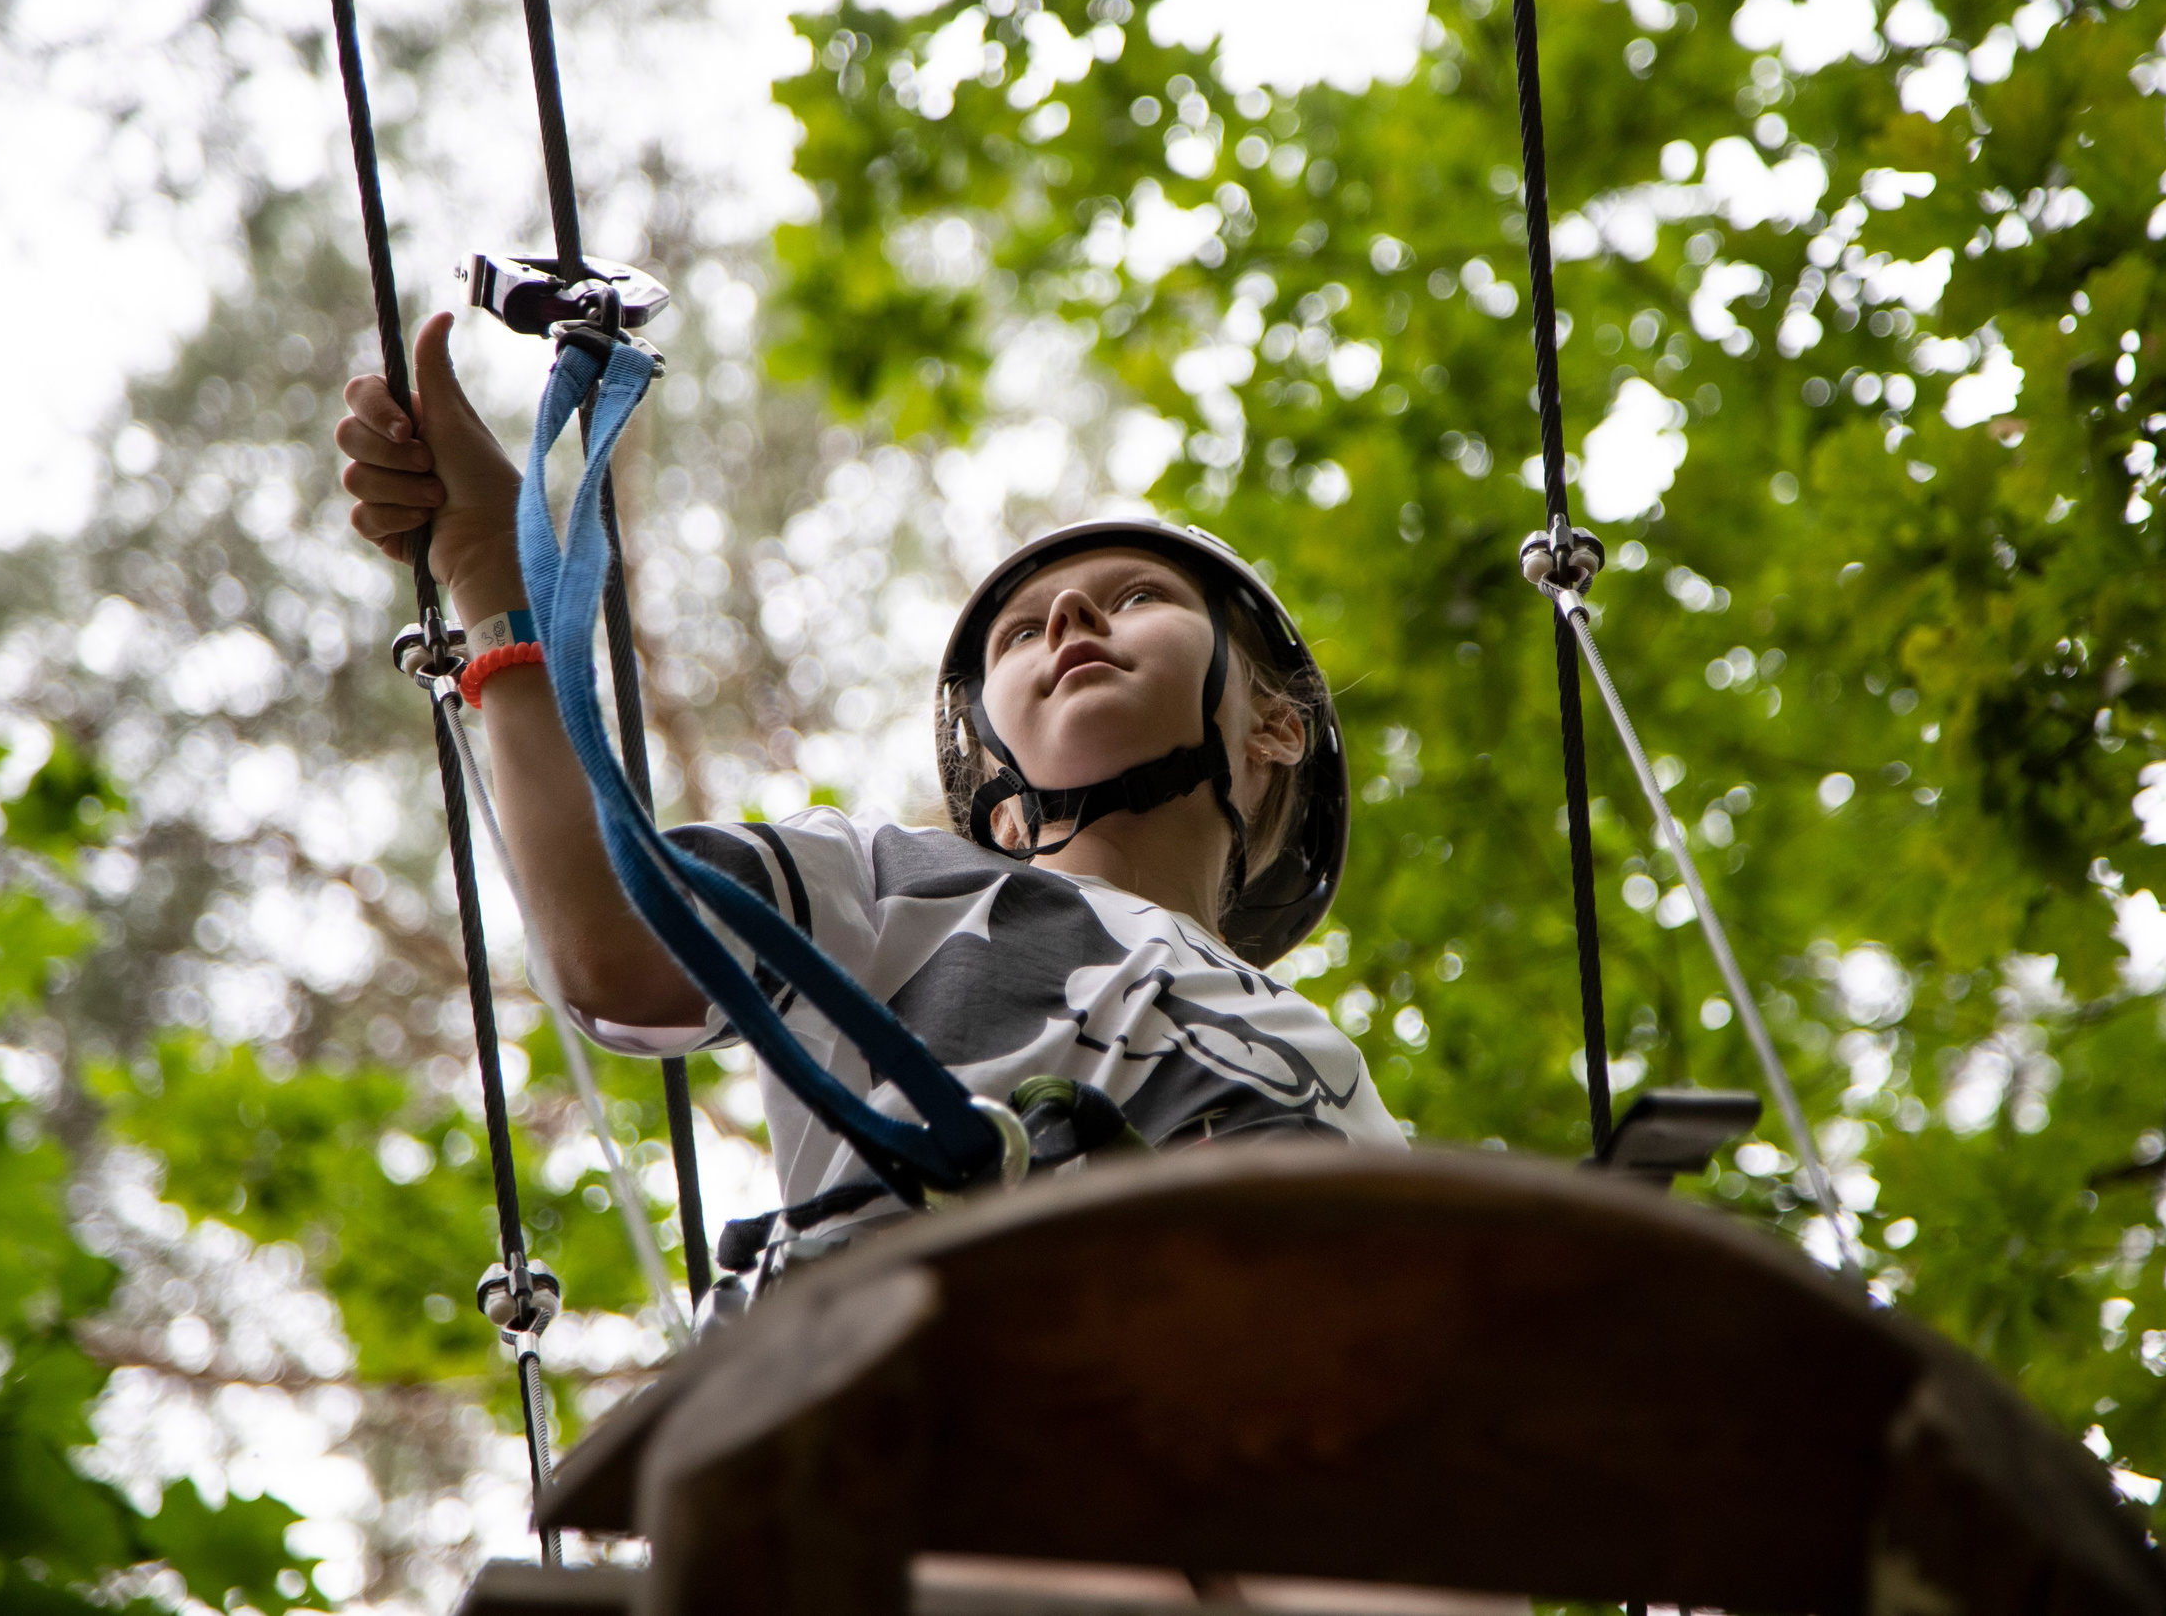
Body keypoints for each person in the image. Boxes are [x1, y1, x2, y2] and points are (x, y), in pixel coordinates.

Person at [335, 314, 1403, 1223]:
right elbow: (611, 946)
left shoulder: (1327, 1063)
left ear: (1274, 727)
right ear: (995, 775)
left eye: (1137, 598)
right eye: (1020, 634)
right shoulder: (886, 883)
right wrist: (490, 571)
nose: (1070, 617)